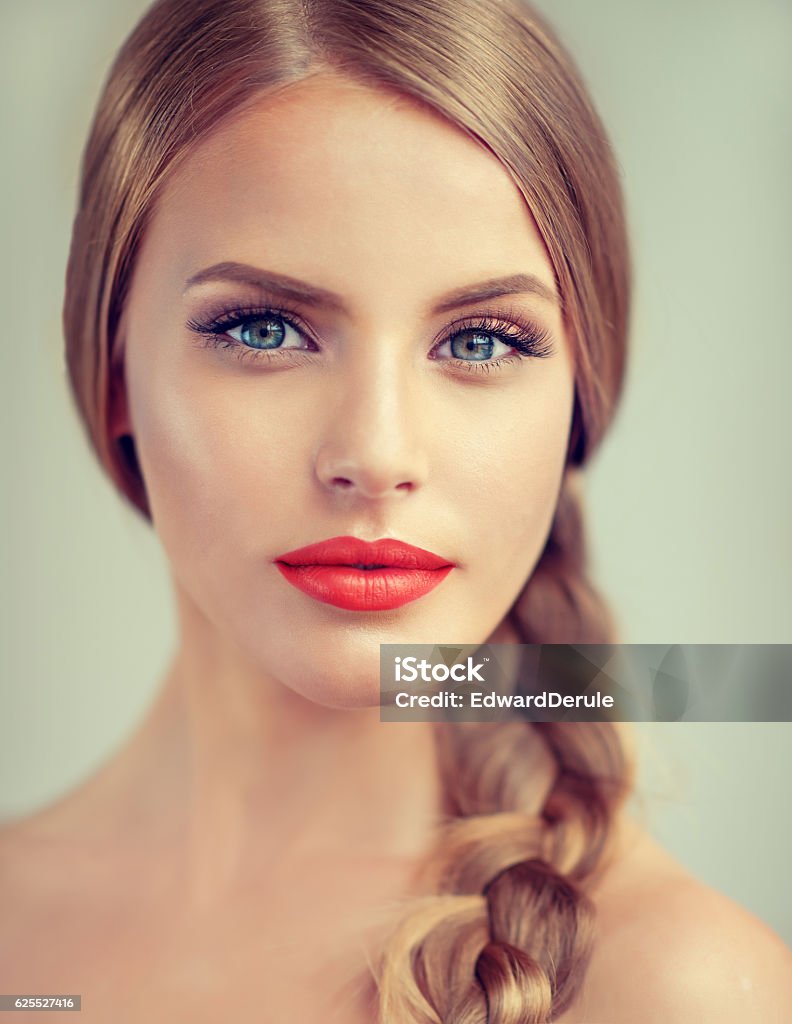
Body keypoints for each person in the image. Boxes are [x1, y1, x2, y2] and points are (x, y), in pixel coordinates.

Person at [1, 0, 790, 1021]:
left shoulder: (675, 988)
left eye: (481, 340)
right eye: (266, 327)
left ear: (578, 397)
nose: (375, 454)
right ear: (112, 369)